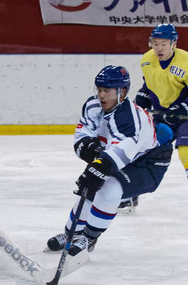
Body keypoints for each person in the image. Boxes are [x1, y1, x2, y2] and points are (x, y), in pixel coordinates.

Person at [46, 66, 173, 255]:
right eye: (99, 90)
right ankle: (71, 234)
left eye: (107, 91)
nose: (101, 95)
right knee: (89, 188)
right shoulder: (93, 105)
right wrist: (91, 149)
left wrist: (99, 166)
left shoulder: (129, 120)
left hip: (149, 162)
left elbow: (122, 153)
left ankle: (88, 239)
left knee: (108, 189)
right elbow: (83, 134)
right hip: (126, 155)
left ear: (122, 92)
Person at [132, 24, 188, 219]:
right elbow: (149, 84)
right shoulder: (146, 60)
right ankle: (130, 194)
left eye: (164, 44)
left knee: (187, 153)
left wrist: (182, 109)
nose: (158, 48)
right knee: (142, 150)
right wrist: (141, 101)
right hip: (163, 115)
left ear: (174, 44)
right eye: (155, 43)